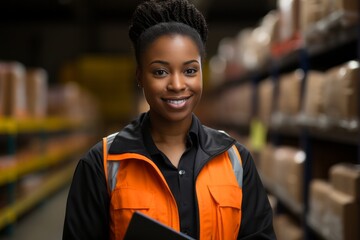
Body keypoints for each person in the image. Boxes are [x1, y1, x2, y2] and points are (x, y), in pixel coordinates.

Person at [62, 0, 276, 239]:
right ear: (140, 76)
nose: (177, 85)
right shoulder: (101, 164)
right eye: (160, 72)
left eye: (190, 71)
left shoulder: (235, 160)